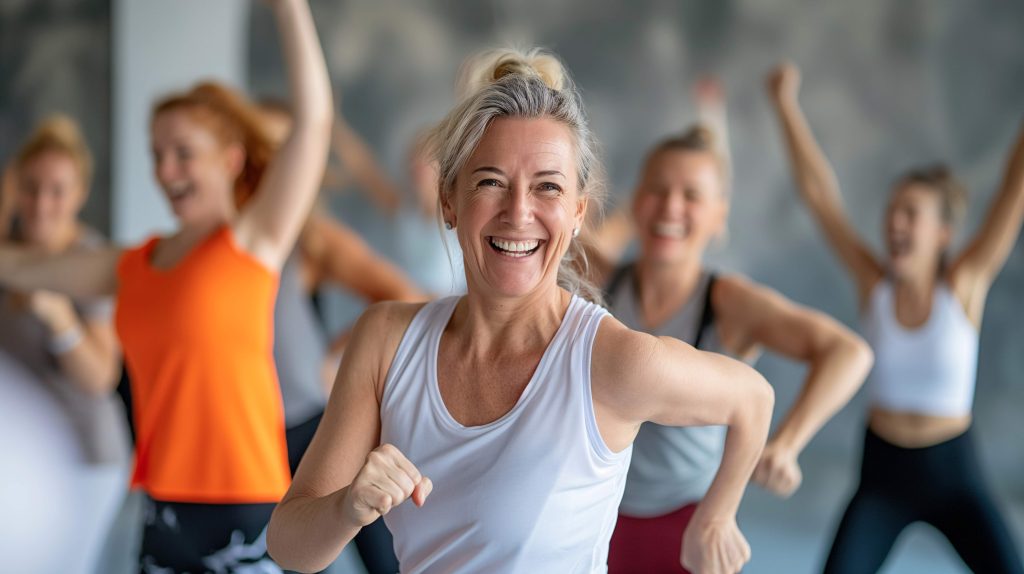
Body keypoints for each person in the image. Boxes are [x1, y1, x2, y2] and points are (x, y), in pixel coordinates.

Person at [267, 47, 774, 574]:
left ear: (578, 213)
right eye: (490, 182)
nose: (518, 212)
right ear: (449, 200)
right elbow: (289, 544)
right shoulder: (385, 339)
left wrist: (716, 517)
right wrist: (346, 508)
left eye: (547, 187)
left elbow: (754, 398)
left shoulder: (612, 360)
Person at [0, 0, 333, 570]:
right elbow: (19, 267)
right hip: (162, 506)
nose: (165, 171)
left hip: (248, 504)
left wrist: (289, 8)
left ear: (230, 160)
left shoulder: (255, 241)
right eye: (157, 155)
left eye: (183, 154)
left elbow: (315, 122)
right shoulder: (132, 263)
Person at [602, 84, 873, 573]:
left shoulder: (728, 303)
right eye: (657, 191)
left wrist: (787, 442)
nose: (670, 208)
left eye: (691, 196)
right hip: (600, 513)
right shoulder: (601, 277)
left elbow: (847, 352)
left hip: (689, 522)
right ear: (636, 203)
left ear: (718, 216)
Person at [767, 61, 1024, 574]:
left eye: (911, 213)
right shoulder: (874, 286)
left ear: (943, 234)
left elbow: (1014, 190)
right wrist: (785, 106)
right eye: (891, 212)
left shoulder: (965, 286)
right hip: (883, 476)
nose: (894, 223)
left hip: (955, 475)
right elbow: (821, 197)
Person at [259, 102, 424, 574]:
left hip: (308, 424)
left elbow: (402, 295)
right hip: (249, 431)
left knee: (377, 556)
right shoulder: (225, 240)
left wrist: (339, 349)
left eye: (280, 151)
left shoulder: (311, 236)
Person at [0, 114, 130, 572]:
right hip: (18, 452)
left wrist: (56, 314)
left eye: (57, 190)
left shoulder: (89, 261)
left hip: (85, 456)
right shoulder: (7, 251)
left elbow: (100, 377)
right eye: (30, 186)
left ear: (80, 194)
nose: (40, 203)